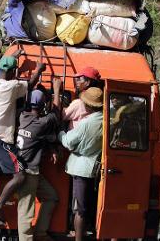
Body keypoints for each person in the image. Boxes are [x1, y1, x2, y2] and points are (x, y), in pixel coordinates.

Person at [0, 47, 46, 226]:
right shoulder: (11, 87)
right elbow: (31, 85)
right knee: (20, 176)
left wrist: (0, 59)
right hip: (3, 140)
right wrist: (39, 70)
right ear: (12, 72)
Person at [58, 87, 103, 241]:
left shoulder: (87, 123)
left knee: (79, 209)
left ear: (89, 105)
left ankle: (78, 237)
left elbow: (68, 141)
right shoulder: (106, 120)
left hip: (80, 168)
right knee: (86, 204)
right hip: (93, 168)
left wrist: (60, 133)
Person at [16, 88, 60, 241]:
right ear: (43, 106)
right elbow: (56, 114)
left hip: (29, 171)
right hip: (28, 172)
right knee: (26, 210)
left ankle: (40, 233)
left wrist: (51, 147)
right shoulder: (41, 123)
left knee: (51, 197)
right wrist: (57, 89)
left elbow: (42, 137)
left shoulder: (23, 117)